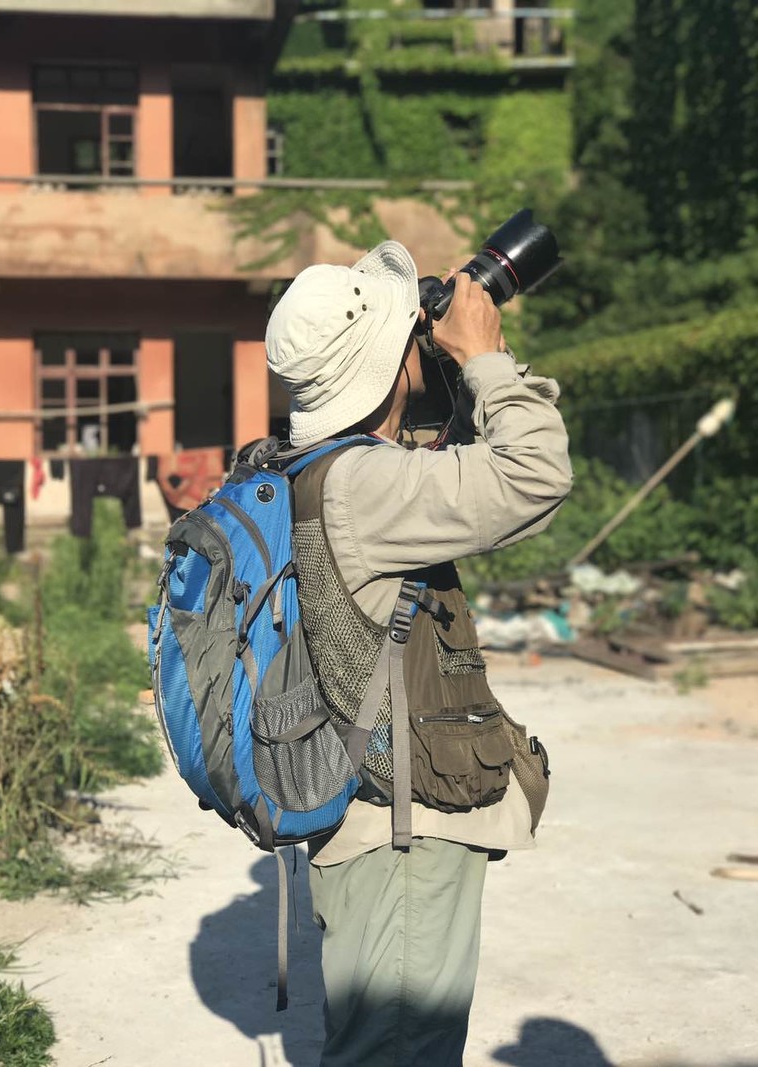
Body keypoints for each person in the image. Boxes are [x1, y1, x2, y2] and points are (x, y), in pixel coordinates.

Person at [265, 239, 572, 1067]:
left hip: (367, 824)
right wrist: (485, 358)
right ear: (386, 365)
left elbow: (457, 478)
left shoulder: (318, 469)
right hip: (401, 838)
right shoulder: (368, 487)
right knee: (399, 1051)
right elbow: (537, 474)